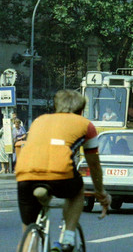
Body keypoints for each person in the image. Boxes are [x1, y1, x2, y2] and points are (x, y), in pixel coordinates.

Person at [15, 90, 110, 252]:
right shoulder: (86, 125)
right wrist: (101, 192)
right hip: (61, 176)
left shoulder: (39, 120)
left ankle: (31, 238)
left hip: (25, 175)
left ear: (56, 107)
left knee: (29, 232)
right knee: (78, 189)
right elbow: (94, 165)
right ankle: (68, 238)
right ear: (81, 110)